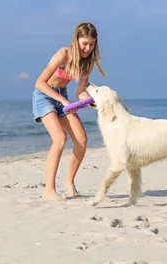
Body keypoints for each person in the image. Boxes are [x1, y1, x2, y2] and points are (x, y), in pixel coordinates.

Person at [32, 22, 106, 202]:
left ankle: (69, 182)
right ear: (76, 40)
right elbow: (39, 82)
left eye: (91, 44)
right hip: (45, 96)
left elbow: (80, 92)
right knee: (60, 139)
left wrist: (91, 101)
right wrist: (63, 101)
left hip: (63, 98)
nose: (88, 48)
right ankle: (49, 190)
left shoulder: (88, 62)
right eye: (84, 43)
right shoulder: (63, 54)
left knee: (81, 139)